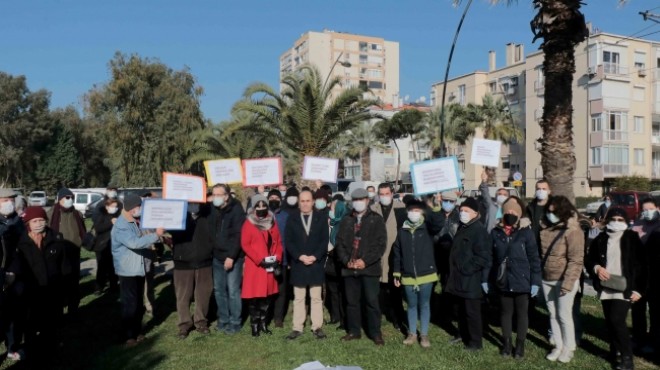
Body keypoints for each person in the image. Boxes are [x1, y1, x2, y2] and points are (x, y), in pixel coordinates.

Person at [586, 207, 645, 370]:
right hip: (606, 286)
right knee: (610, 322)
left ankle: (627, 359)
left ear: (626, 222)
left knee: (617, 321)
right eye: (613, 219)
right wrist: (597, 268)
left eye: (620, 220)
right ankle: (614, 351)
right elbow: (590, 259)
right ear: (607, 220)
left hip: (625, 288)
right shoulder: (601, 238)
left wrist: (638, 290)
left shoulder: (632, 238)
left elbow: (642, 266)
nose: (616, 222)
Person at [9, 207, 68, 364]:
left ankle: (51, 349)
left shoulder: (56, 238)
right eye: (35, 221)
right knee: (30, 325)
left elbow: (64, 266)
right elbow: (15, 266)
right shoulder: (20, 243)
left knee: (51, 323)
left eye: (42, 220)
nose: (39, 224)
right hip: (30, 291)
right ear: (28, 223)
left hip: (52, 289)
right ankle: (31, 350)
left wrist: (64, 287)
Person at [490, 197, 541, 359]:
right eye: (507, 211)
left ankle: (519, 346)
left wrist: (535, 282)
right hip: (504, 280)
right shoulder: (495, 232)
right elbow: (491, 258)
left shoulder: (526, 232)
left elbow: (534, 258)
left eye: (513, 211)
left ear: (519, 214)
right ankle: (506, 344)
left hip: (522, 281)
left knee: (521, 314)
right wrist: (487, 279)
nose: (510, 214)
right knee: (505, 313)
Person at [111, 194, 165, 347]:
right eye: (138, 207)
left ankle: (137, 331)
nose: (140, 209)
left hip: (140, 268)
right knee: (130, 303)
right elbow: (134, 243)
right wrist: (156, 235)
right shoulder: (122, 225)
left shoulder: (136, 221)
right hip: (128, 270)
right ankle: (129, 336)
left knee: (138, 302)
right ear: (131, 208)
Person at [335, 188, 387, 345]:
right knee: (351, 302)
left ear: (367, 200)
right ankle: (354, 331)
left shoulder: (376, 219)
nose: (358, 203)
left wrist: (365, 261)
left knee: (371, 301)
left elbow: (380, 244)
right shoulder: (346, 220)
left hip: (369, 268)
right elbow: (340, 243)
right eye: (355, 200)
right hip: (350, 268)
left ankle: (375, 333)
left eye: (361, 199)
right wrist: (346, 260)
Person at [539, 195, 584, 363]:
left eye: (555, 211)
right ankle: (558, 345)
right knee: (553, 314)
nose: (551, 214)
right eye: (549, 211)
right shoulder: (544, 227)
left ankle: (568, 347)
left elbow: (576, 260)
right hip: (547, 278)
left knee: (564, 315)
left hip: (565, 280)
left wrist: (568, 283)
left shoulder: (573, 230)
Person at [445, 197, 492, 351]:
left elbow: (483, 257)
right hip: (458, 278)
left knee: (472, 312)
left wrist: (466, 268)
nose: (462, 213)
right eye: (461, 210)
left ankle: (475, 343)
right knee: (461, 310)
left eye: (467, 211)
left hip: (470, 279)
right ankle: (462, 335)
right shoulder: (463, 227)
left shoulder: (478, 230)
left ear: (475, 213)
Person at [392, 199, 438, 348]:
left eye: (417, 210)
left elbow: (438, 223)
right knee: (411, 305)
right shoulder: (402, 231)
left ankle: (424, 335)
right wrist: (397, 273)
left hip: (426, 274)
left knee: (424, 304)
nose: (414, 213)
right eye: (411, 210)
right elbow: (397, 253)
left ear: (422, 212)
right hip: (408, 276)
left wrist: (434, 207)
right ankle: (412, 333)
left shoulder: (428, 228)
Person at [285, 190, 329, 340]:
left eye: (308, 201)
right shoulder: (292, 218)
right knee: (299, 297)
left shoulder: (321, 218)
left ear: (313, 202)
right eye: (302, 201)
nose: (305, 204)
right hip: (299, 263)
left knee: (316, 297)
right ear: (299, 202)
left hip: (315, 263)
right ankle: (297, 327)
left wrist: (315, 256)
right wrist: (299, 256)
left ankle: (317, 326)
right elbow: (288, 241)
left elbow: (324, 240)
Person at [241, 194, 283, 337]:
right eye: (258, 206)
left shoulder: (272, 222)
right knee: (254, 298)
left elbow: (278, 242)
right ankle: (254, 325)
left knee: (267, 297)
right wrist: (259, 260)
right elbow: (245, 245)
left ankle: (263, 323)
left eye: (263, 205)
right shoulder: (248, 223)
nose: (261, 208)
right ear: (253, 207)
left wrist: (277, 257)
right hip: (256, 267)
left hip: (270, 265)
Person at [170, 205, 214, 339]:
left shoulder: (209, 214)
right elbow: (170, 231)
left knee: (203, 294)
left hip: (204, 261)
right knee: (183, 295)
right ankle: (184, 324)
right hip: (183, 262)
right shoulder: (178, 214)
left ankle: (201, 321)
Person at [207, 184, 245, 334]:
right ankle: (223, 319)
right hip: (216, 256)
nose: (215, 197)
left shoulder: (236, 210)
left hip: (232, 258)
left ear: (226, 196)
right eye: (213, 194)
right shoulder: (213, 209)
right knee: (219, 290)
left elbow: (238, 235)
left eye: (218, 194)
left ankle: (235, 322)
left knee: (233, 291)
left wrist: (231, 256)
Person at [47, 188, 86, 318]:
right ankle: (58, 311)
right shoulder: (51, 213)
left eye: (71, 198)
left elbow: (83, 230)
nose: (70, 200)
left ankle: (73, 309)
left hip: (74, 252)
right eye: (67, 197)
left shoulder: (77, 214)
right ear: (60, 199)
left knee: (74, 283)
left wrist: (81, 242)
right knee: (59, 282)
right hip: (58, 255)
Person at [371, 183, 405, 330]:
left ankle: (397, 318)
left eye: (387, 193)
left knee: (395, 290)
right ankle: (377, 316)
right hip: (378, 256)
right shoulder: (373, 209)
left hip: (394, 255)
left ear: (392, 193)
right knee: (378, 290)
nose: (384, 197)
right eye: (382, 194)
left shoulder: (401, 208)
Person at [630, 197, 660, 352]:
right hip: (639, 275)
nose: (648, 212)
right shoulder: (637, 225)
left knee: (655, 310)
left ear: (657, 208)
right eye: (645, 210)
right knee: (637, 309)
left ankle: (654, 340)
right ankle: (638, 337)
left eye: (651, 209)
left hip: (655, 275)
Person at [0, 189, 24, 360]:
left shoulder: (18, 222)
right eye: (4, 200)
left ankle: (12, 347)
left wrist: (13, 271)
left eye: (11, 199)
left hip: (15, 275)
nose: (8, 203)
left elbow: (22, 249)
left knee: (14, 314)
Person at [268, 189, 291, 328]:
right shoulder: (262, 215)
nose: (274, 199)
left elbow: (288, 239)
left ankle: (278, 318)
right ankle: (266, 315)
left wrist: (288, 260)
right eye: (272, 197)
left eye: (277, 197)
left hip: (282, 258)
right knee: (267, 289)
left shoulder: (286, 216)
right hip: (267, 258)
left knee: (281, 291)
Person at [325, 195, 348, 329]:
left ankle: (344, 319)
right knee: (332, 290)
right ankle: (335, 316)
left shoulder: (344, 223)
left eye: (333, 207)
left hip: (340, 261)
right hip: (330, 261)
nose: (330, 209)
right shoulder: (332, 222)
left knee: (342, 291)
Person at [92, 198, 120, 295]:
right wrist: (110, 223)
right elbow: (98, 228)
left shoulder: (117, 215)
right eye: (113, 206)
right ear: (107, 207)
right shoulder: (102, 215)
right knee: (102, 268)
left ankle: (113, 285)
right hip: (102, 246)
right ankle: (98, 287)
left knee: (113, 267)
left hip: (114, 245)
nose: (115, 208)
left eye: (116, 206)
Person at [526, 179, 551, 246]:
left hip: (548, 245)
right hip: (533, 244)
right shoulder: (529, 208)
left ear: (549, 191)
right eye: (538, 189)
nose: (541, 191)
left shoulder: (554, 207)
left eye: (544, 189)